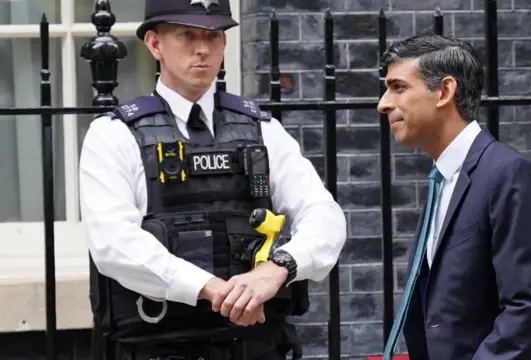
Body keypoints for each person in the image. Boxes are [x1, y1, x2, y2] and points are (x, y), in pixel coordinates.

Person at [78, 0, 346, 359]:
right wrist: (212, 289)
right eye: (186, 35)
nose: (202, 48)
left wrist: (278, 268)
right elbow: (113, 243)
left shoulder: (262, 130)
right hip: (158, 347)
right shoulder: (113, 135)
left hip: (256, 347)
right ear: (155, 44)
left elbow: (324, 215)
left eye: (214, 35)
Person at [377, 34, 531, 360]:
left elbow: (526, 309)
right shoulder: (442, 179)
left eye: (399, 87)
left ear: (444, 92)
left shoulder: (506, 173)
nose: (384, 103)